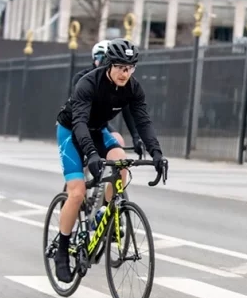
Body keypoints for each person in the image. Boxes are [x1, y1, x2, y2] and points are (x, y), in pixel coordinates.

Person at [54, 38, 167, 283]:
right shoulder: (88, 83)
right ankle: (62, 249)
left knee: (122, 162)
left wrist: (156, 153)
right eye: (120, 67)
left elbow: (142, 121)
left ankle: (104, 211)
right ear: (109, 65)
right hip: (72, 131)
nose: (125, 73)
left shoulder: (133, 88)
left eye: (130, 68)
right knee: (76, 192)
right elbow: (80, 124)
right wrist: (91, 155)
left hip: (97, 131)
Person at [70, 39, 145, 158]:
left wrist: (136, 137)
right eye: (99, 57)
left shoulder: (119, 81)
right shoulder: (83, 79)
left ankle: (110, 172)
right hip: (82, 122)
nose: (102, 61)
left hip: (100, 124)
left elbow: (127, 110)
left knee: (119, 141)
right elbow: (80, 115)